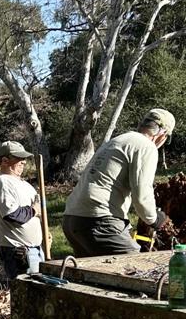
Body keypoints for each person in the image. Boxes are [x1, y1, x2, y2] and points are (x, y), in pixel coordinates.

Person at [62, 109, 175, 257]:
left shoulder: (118, 140)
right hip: (99, 220)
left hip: (72, 219)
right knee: (134, 265)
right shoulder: (146, 146)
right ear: (162, 134)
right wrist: (154, 219)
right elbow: (142, 194)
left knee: (95, 270)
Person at [0, 140, 44, 280]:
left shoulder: (24, 184)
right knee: (27, 290)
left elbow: (37, 211)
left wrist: (44, 234)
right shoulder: (3, 182)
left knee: (39, 290)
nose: (23, 162)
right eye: (19, 158)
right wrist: (34, 210)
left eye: (24, 158)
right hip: (18, 251)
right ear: (4, 161)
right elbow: (12, 215)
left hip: (35, 249)